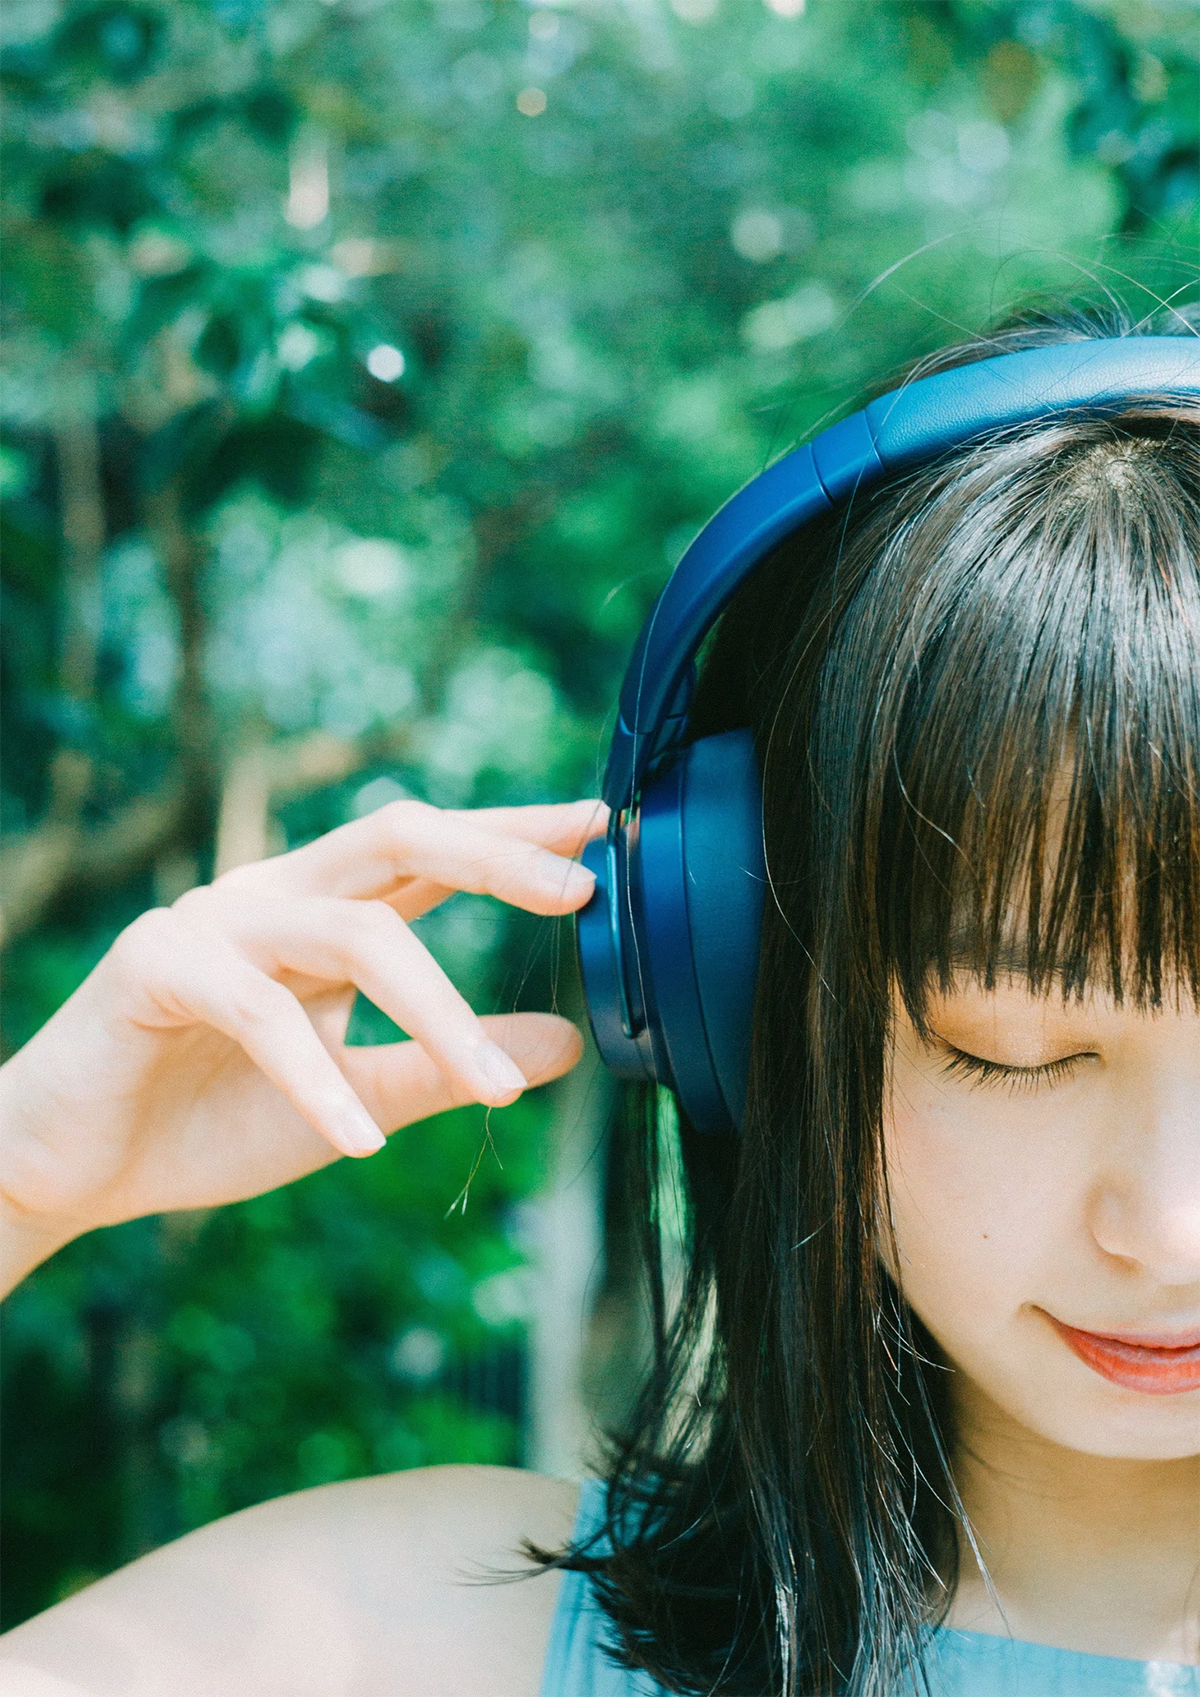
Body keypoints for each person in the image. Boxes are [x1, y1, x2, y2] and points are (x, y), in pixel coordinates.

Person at [4, 300, 1200, 1696]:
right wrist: (23, 1181)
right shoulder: (416, 1639)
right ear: (737, 997)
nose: (1171, 1231)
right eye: (1014, 1049)